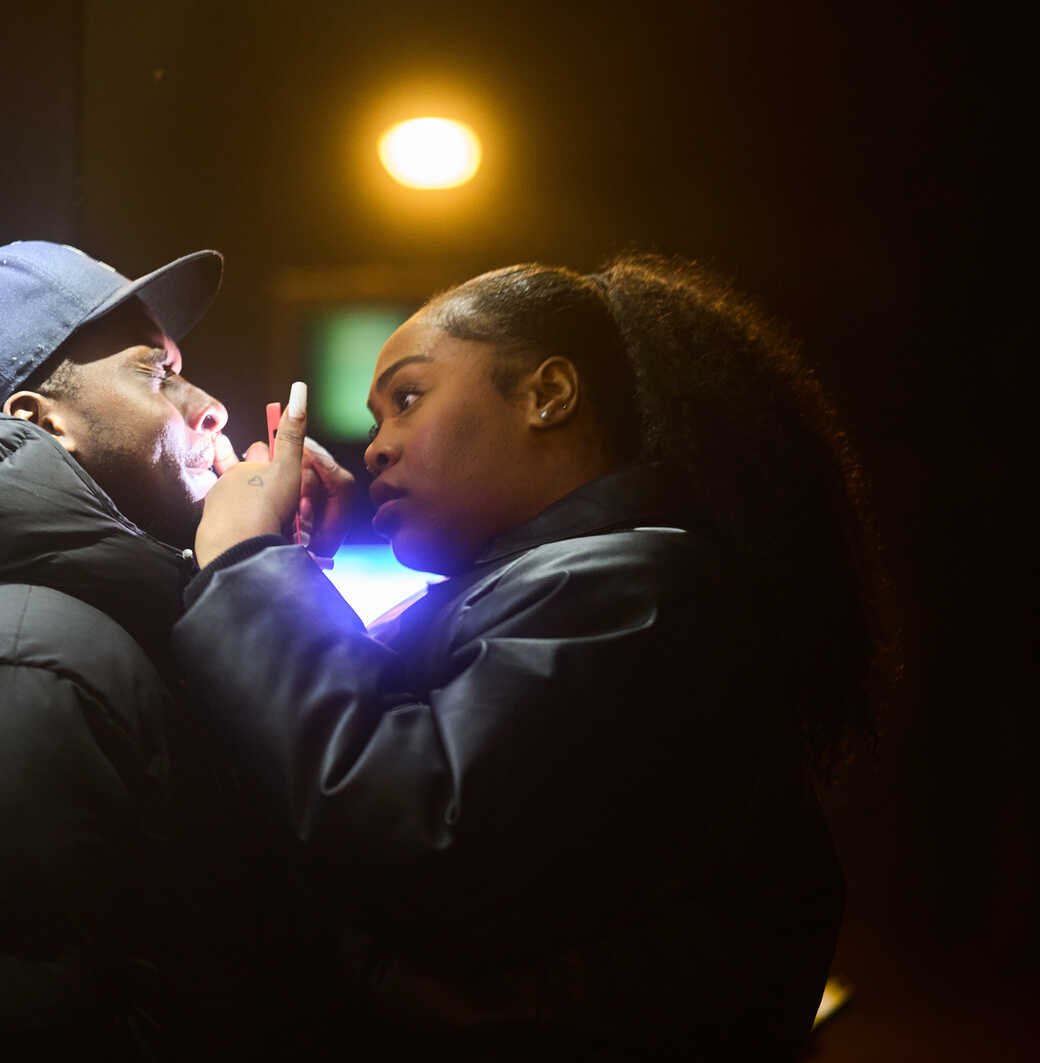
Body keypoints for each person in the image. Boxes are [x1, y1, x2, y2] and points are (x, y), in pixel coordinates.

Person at [175, 255, 896, 1059]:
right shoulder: (574, 584)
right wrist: (302, 566)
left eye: (407, 398)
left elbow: (411, 826)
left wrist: (247, 564)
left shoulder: (635, 592)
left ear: (548, 395)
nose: (376, 448)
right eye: (377, 420)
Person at [0, 241, 334, 1060]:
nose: (210, 406)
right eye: (158, 374)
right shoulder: (7, 664)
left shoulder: (81, 635)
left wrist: (276, 573)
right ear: (40, 421)